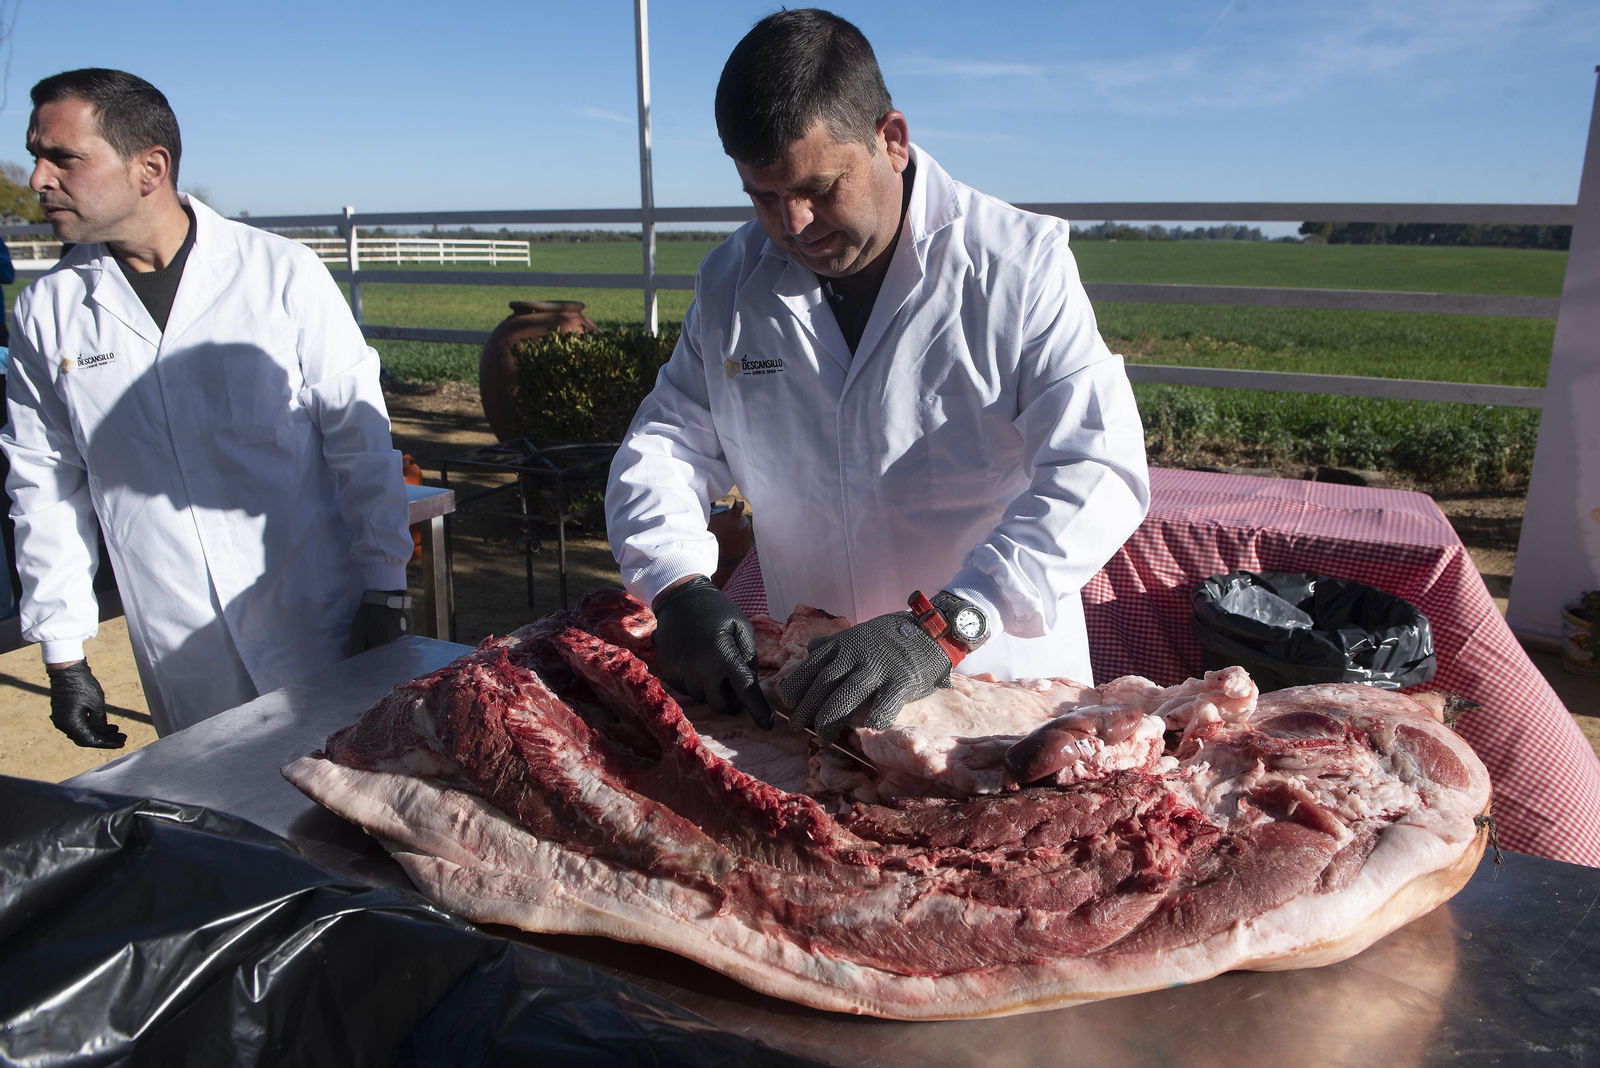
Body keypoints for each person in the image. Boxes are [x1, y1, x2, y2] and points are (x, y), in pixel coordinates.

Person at [606, 10, 1151, 746]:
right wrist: (675, 582)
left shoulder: (1014, 265)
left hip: (996, 696)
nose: (793, 225)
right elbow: (669, 440)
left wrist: (949, 623)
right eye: (763, 198)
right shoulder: (734, 281)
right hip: (816, 692)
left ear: (891, 139)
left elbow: (1097, 466)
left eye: (820, 188)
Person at [3, 69, 413, 746]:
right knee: (225, 820)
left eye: (64, 158)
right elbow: (44, 484)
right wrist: (63, 652)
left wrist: (385, 585)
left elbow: (359, 440)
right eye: (37, 156)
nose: (39, 178)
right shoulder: (50, 312)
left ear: (150, 168)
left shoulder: (281, 275)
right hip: (178, 640)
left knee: (350, 811)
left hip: (318, 615)